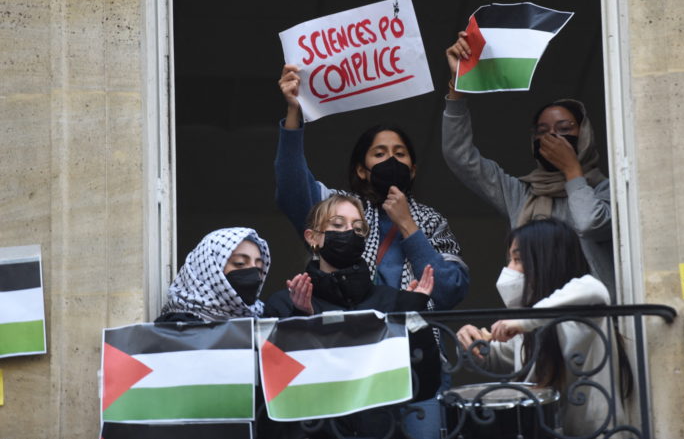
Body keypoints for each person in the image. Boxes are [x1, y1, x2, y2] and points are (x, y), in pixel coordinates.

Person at [276, 64, 469, 311]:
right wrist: (294, 112)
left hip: (411, 344)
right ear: (361, 169)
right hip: (351, 340)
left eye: (400, 154)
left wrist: (407, 225)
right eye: (379, 153)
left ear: (412, 169)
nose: (391, 160)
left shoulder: (432, 221)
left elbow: (450, 290)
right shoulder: (339, 207)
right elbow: (292, 188)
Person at [442, 33, 615, 296]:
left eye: (564, 128)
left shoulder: (609, 191)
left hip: (592, 324)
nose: (552, 136)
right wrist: (457, 89)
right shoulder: (521, 193)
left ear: (585, 135)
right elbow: (461, 156)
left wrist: (572, 172)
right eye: (542, 130)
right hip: (535, 317)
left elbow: (589, 223)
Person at [264, 194, 442, 439]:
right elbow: (278, 394)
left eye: (358, 228)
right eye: (338, 225)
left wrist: (415, 316)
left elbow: (426, 385)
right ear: (313, 238)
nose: (349, 232)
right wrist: (301, 320)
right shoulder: (283, 304)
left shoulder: (390, 300)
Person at [456, 218, 631, 436]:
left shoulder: (580, 311)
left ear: (547, 261)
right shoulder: (527, 323)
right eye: (509, 259)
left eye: (518, 259)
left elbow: (594, 289)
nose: (509, 269)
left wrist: (524, 322)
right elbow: (494, 357)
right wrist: (469, 343)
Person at [157, 227, 270, 322]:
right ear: (208, 269)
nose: (253, 274)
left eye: (259, 269)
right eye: (239, 263)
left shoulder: (261, 320)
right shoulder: (178, 327)